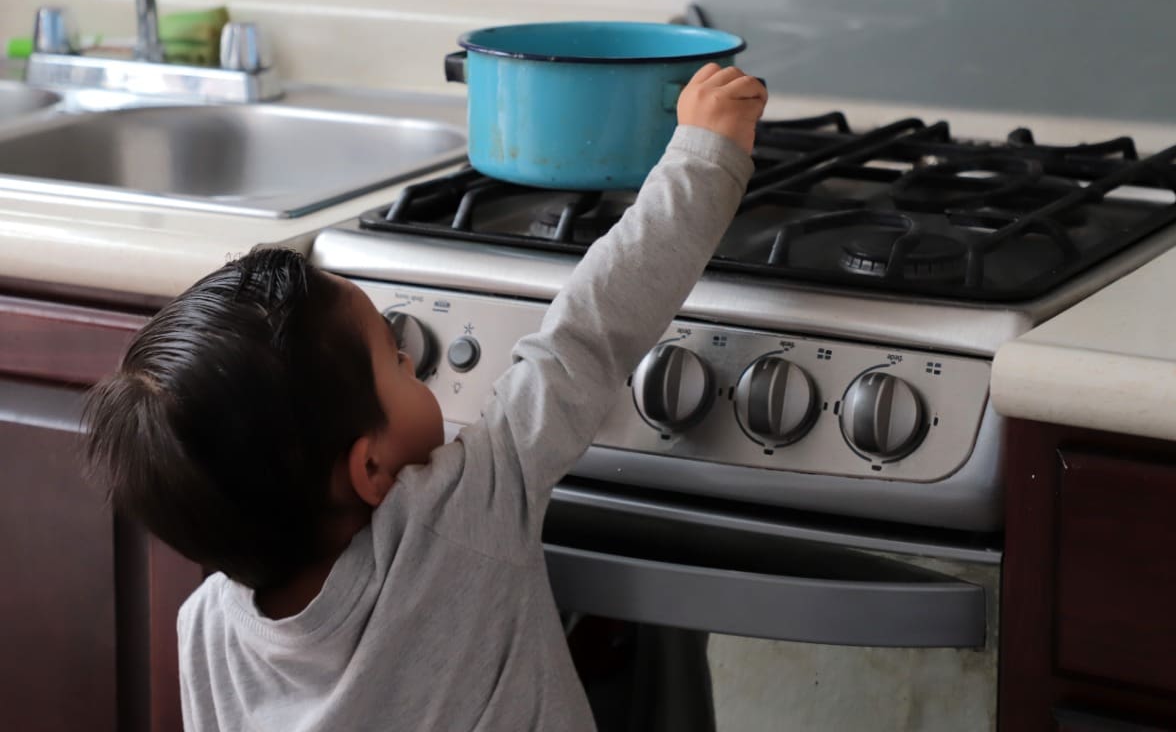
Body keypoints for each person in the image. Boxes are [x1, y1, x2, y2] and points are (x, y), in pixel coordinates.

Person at [82, 62, 766, 731]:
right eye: (395, 360)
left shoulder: (204, 634)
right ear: (369, 468)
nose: (412, 359)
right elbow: (589, 333)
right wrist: (704, 157)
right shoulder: (461, 512)